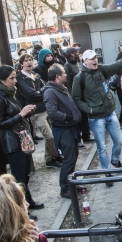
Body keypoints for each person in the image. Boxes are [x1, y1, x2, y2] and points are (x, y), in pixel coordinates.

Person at [72, 48, 122, 176]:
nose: (95, 60)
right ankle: (107, 172)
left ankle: (115, 161)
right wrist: (89, 109)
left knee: (118, 142)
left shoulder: (101, 69)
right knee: (102, 148)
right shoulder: (80, 78)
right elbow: (76, 99)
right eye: (92, 59)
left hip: (110, 113)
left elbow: (118, 64)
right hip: (96, 118)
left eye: (96, 58)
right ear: (85, 61)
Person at [0, 65, 44, 219]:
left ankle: (28, 201)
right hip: (12, 142)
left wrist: (27, 112)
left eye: (15, 77)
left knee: (25, 174)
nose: (15, 81)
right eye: (11, 78)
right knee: (18, 177)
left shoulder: (10, 93)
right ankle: (21, 210)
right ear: (1, 80)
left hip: (21, 138)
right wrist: (21, 114)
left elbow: (15, 115)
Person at [42, 64, 83, 199]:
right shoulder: (50, 91)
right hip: (64, 130)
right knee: (69, 159)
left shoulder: (60, 88)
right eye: (64, 73)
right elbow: (52, 112)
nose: (66, 74)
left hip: (71, 129)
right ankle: (65, 188)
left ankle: (71, 184)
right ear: (57, 76)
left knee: (73, 157)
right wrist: (67, 117)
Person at [16, 53, 62, 169]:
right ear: (21, 63)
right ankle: (54, 156)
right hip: (35, 112)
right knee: (49, 136)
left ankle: (50, 158)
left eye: (31, 60)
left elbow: (47, 87)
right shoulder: (20, 78)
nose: (29, 62)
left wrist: (40, 92)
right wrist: (41, 92)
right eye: (26, 60)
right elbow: (32, 94)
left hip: (45, 108)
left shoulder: (35, 75)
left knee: (52, 136)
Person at [64, 47, 94, 144]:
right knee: (77, 118)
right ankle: (78, 139)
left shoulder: (79, 64)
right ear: (71, 54)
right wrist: (72, 95)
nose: (78, 53)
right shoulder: (67, 66)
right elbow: (67, 83)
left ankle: (86, 136)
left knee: (85, 117)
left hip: (83, 95)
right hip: (75, 96)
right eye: (76, 52)